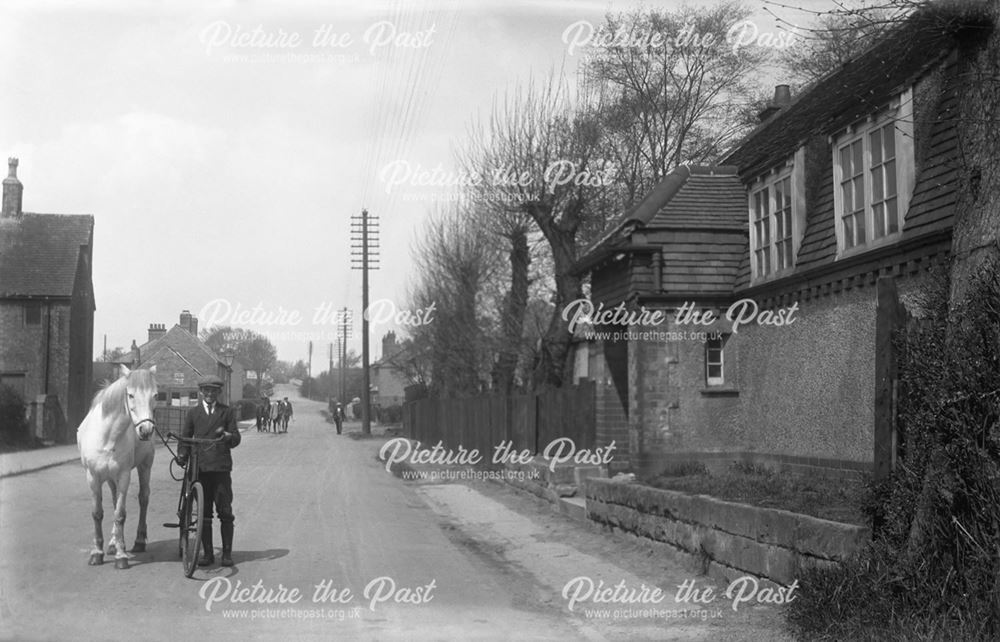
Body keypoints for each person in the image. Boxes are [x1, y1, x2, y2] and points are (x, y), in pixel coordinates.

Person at [178, 375, 241, 567]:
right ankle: (207, 554)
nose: (209, 394)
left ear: (218, 393)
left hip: (220, 468)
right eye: (206, 390)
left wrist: (229, 436)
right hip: (200, 469)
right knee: (204, 513)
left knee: (225, 511)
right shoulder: (193, 413)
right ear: (201, 392)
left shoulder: (227, 412)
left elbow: (236, 438)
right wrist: (182, 455)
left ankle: (227, 554)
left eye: (213, 391)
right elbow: (185, 437)